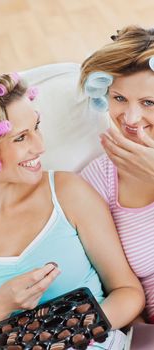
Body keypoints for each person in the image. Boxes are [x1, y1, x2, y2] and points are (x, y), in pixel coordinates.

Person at [0, 72, 144, 350]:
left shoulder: (67, 192)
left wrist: (54, 333)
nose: (39, 146)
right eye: (20, 138)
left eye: (36, 127)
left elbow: (129, 293)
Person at [80, 25, 154, 324]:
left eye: (149, 103)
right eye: (119, 98)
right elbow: (110, 288)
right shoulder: (95, 180)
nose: (132, 119)